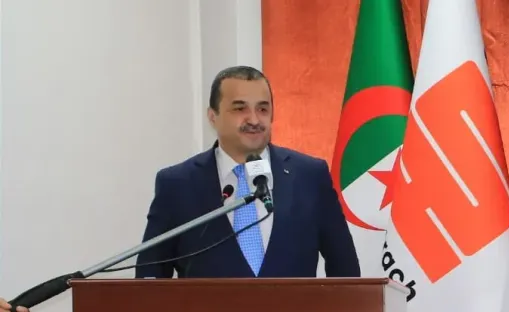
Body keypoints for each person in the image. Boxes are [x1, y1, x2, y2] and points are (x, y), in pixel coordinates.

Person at [134, 66, 360, 279]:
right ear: (213, 116)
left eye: (262, 109)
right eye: (240, 108)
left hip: (295, 310)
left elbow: (345, 270)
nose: (254, 120)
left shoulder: (310, 176)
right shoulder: (177, 184)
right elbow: (150, 276)